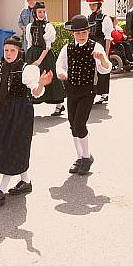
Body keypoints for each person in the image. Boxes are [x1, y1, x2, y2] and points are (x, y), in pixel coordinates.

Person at [0, 35, 52, 206]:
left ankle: (1, 189)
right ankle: (26, 182)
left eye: (12, 50)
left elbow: (36, 92)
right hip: (4, 111)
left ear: (19, 51)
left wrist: (42, 84)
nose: (8, 53)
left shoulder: (27, 69)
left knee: (13, 146)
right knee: (7, 145)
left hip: (20, 111)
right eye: (6, 50)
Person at [56, 15, 112, 174]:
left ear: (88, 31)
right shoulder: (67, 48)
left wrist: (102, 59)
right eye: (77, 33)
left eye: (84, 32)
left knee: (80, 123)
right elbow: (60, 65)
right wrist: (61, 73)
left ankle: (87, 157)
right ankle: (80, 156)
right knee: (73, 124)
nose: (81, 36)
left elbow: (106, 69)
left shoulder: (96, 47)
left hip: (88, 91)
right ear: (72, 33)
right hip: (71, 89)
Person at [25, 2, 66, 116]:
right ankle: (29, 105)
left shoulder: (48, 26)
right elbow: (29, 43)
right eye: (39, 12)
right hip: (33, 53)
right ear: (35, 13)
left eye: (43, 12)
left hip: (45, 55)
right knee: (32, 78)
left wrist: (39, 60)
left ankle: (59, 105)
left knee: (51, 79)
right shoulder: (30, 26)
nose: (42, 14)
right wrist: (29, 58)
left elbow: (47, 46)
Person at [86, 0, 113, 104]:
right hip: (90, 46)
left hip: (101, 46)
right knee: (91, 71)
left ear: (99, 5)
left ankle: (104, 94)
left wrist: (106, 54)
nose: (92, 7)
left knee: (103, 69)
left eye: (94, 5)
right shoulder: (89, 17)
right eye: (90, 5)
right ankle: (92, 91)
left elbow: (107, 38)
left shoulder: (105, 19)